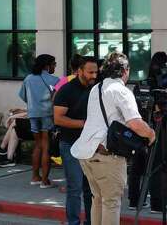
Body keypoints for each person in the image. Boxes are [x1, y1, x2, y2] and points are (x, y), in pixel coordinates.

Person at [71, 52, 155, 225]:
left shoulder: (97, 88)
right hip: (107, 156)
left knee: (98, 199)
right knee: (111, 203)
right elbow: (135, 123)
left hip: (87, 152)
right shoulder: (121, 91)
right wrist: (151, 134)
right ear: (125, 71)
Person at [53, 56, 98, 225]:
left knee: (90, 189)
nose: (94, 75)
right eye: (90, 72)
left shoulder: (96, 89)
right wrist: (83, 124)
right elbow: (58, 118)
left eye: (96, 72)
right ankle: (73, 222)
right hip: (70, 145)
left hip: (91, 146)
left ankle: (90, 221)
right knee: (75, 188)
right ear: (79, 71)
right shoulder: (66, 90)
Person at [18, 54, 60, 187]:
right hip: (47, 114)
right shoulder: (55, 80)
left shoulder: (28, 79)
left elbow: (23, 96)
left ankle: (35, 177)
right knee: (46, 146)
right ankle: (45, 181)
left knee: (37, 145)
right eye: (54, 64)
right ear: (47, 66)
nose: (55, 66)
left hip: (32, 114)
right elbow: (58, 100)